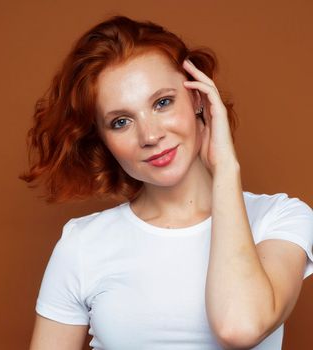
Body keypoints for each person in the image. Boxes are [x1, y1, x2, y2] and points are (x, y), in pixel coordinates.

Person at [20, 15, 313, 350]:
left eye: (162, 102)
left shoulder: (279, 219)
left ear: (199, 100)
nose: (150, 135)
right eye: (121, 121)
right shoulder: (82, 244)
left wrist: (226, 168)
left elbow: (239, 326)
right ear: (102, 139)